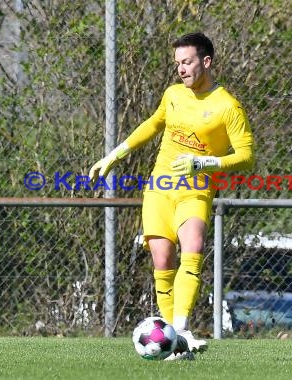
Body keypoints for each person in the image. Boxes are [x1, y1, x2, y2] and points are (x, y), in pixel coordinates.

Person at [89, 32, 254, 360]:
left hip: (196, 190)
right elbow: (152, 125)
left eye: (187, 61)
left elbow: (247, 157)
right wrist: (113, 156)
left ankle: (180, 329)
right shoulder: (174, 95)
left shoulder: (227, 106)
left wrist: (202, 163)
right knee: (163, 260)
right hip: (159, 191)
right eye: (177, 63)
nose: (180, 69)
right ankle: (174, 345)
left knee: (192, 247)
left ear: (206, 62)